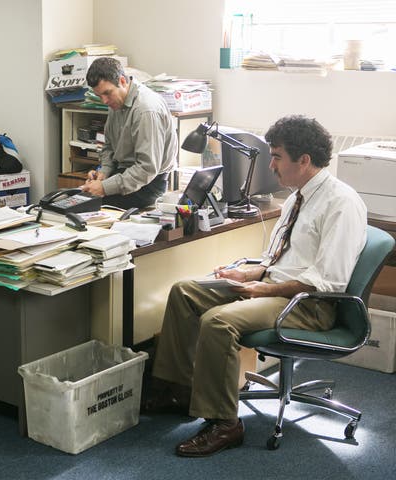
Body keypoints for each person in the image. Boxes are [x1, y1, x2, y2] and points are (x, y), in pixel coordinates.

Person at [143, 115, 367, 457]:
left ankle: (225, 423)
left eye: (277, 156)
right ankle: (177, 390)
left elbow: (327, 281)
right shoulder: (297, 196)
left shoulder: (341, 203)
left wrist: (263, 290)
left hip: (310, 304)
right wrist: (253, 273)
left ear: (303, 160)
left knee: (218, 321)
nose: (271, 165)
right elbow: (280, 256)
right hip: (276, 284)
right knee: (185, 291)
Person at [79, 57, 178, 209]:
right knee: (76, 198)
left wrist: (105, 187)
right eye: (99, 96)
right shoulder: (116, 102)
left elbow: (147, 169)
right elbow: (109, 147)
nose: (104, 101)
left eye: (107, 93)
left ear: (123, 81)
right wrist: (103, 173)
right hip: (125, 173)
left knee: (89, 207)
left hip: (148, 183)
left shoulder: (146, 110)